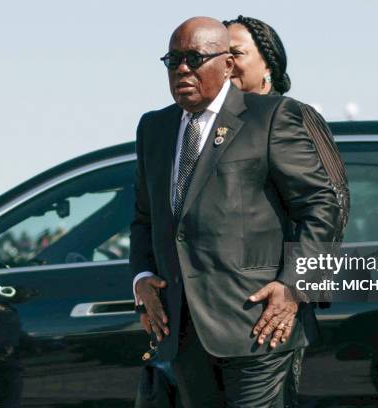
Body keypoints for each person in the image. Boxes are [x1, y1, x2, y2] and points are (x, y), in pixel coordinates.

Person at [130, 17, 343, 407]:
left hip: (258, 326)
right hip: (182, 333)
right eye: (172, 59)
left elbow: (321, 204)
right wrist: (142, 278)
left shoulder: (270, 116)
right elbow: (145, 219)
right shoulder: (154, 128)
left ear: (227, 65)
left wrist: (294, 285)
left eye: (195, 58)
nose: (182, 69)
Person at [223, 15, 349, 407]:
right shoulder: (210, 129)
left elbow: (333, 202)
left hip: (280, 304)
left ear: (269, 64)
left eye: (236, 54)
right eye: (218, 54)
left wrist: (295, 285)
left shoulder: (290, 114)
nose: (225, 64)